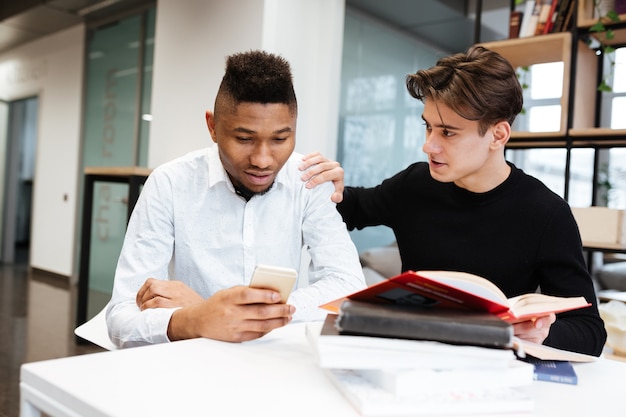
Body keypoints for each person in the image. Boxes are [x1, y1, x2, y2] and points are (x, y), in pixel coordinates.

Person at [300, 45, 607, 356]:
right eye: (428, 126)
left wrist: (540, 334)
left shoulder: (546, 213)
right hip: (409, 356)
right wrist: (330, 186)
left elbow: (590, 331)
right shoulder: (415, 184)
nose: (428, 146)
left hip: (489, 369)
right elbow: (350, 208)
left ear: (498, 135)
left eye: (447, 133)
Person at [106, 50, 366, 348]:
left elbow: (348, 286)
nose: (263, 160)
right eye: (244, 139)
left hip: (274, 359)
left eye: (280, 139)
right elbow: (121, 319)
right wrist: (197, 318)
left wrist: (217, 311)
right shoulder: (169, 184)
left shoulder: (309, 180)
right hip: (191, 361)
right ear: (213, 126)